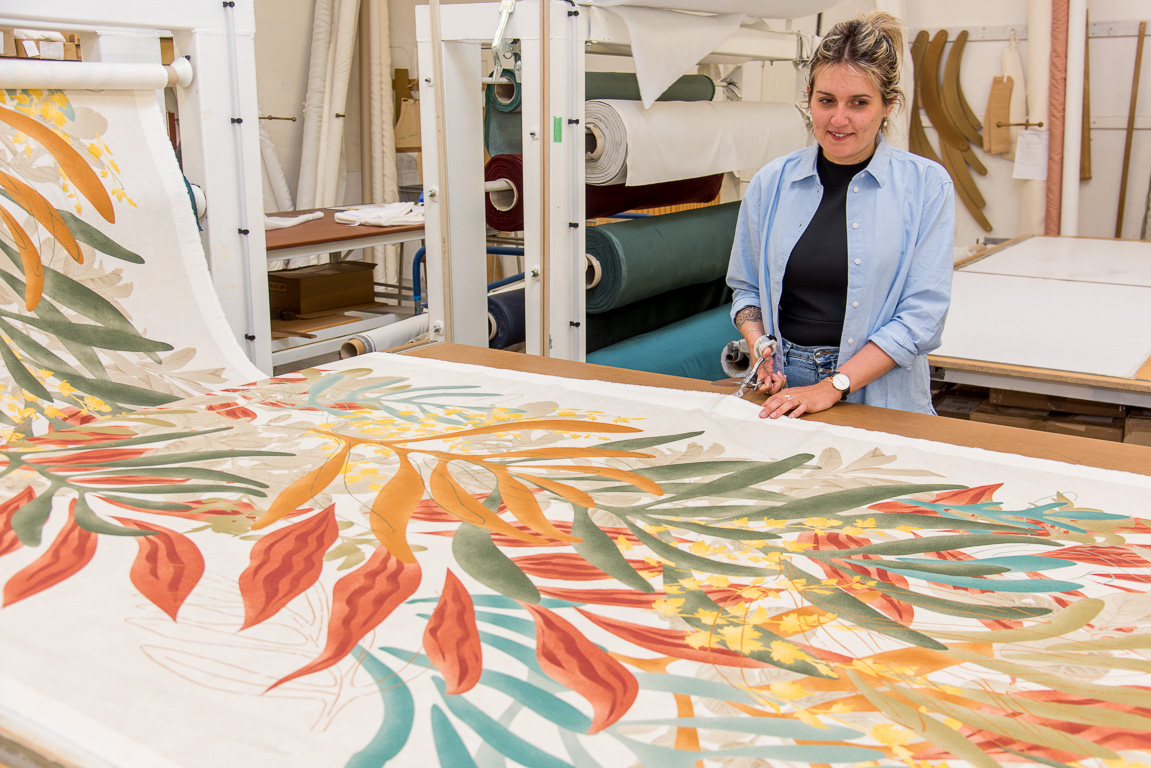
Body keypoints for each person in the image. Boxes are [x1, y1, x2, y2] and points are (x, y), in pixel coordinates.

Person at [726, 11, 954, 419]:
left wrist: (833, 385)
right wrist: (760, 345)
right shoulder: (770, 183)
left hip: (881, 390)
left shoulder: (926, 187)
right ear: (809, 96)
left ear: (889, 105)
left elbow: (923, 317)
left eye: (859, 103)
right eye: (826, 100)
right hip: (783, 388)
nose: (838, 119)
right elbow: (746, 291)